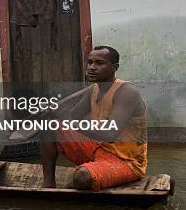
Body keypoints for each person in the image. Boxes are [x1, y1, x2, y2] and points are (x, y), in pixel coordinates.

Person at [40, 46, 147, 190]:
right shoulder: (94, 89)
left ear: (115, 67)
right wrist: (53, 112)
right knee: (49, 125)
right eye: (89, 63)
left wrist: (66, 118)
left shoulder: (127, 92)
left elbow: (109, 133)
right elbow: (72, 118)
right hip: (99, 148)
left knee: (82, 177)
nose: (91, 67)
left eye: (99, 63)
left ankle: (71, 188)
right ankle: (48, 186)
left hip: (126, 161)